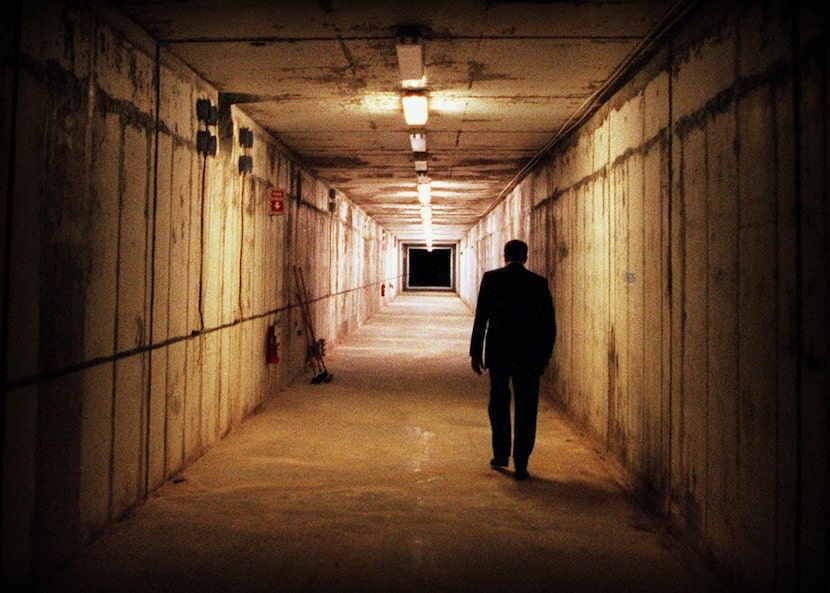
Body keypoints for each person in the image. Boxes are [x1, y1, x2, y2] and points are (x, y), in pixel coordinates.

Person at [469, 239, 556, 480]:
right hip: (529, 355)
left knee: (498, 401)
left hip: (499, 352)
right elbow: (549, 324)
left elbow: (481, 318)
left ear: (504, 255)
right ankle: (521, 462)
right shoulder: (538, 284)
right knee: (527, 407)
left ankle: (500, 454)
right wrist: (545, 354)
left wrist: (476, 351)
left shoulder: (492, 279)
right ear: (526, 257)